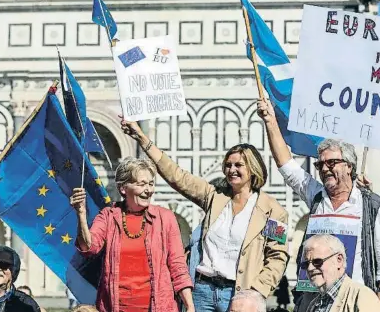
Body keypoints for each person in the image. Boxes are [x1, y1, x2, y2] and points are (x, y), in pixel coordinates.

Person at [120, 118, 289, 312]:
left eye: (238, 165)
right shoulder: (215, 196)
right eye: (228, 165)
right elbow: (178, 177)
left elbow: (278, 256)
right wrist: (142, 139)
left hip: (239, 294)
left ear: (253, 169)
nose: (231, 170)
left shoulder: (274, 211)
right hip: (201, 290)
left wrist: (257, 291)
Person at [257, 99, 380, 312]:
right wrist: (270, 121)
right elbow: (287, 166)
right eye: (320, 164)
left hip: (353, 296)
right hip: (313, 296)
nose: (325, 169)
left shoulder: (371, 205)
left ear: (349, 166)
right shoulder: (317, 197)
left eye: (332, 163)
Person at [70, 156, 194, 312]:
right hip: (115, 307)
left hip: (159, 308)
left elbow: (178, 265)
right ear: (123, 188)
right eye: (142, 184)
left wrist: (189, 306)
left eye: (151, 184)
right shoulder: (108, 216)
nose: (148, 190)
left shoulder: (166, 218)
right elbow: (88, 247)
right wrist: (80, 214)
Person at [298, 234, 380, 312]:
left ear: (339, 260)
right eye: (306, 264)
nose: (310, 268)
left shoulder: (363, 297)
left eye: (317, 261)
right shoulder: (314, 304)